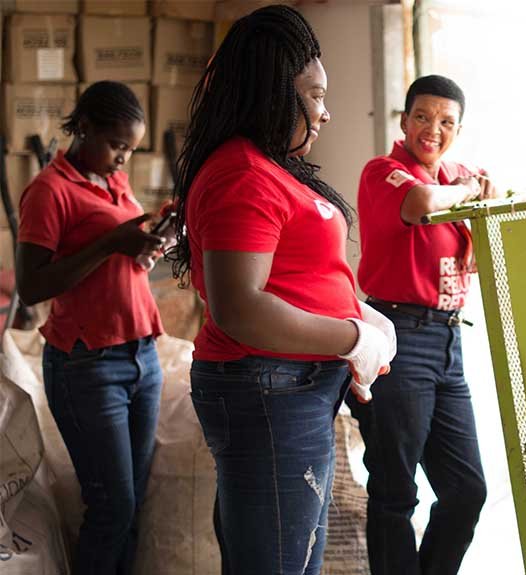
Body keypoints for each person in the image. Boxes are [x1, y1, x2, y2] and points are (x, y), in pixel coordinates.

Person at [164, 6, 394, 574]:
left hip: (292, 390)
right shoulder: (241, 174)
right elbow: (240, 306)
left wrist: (362, 315)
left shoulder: (270, 166)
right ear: (272, 93)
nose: (325, 112)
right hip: (270, 392)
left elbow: (295, 275)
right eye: (314, 96)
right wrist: (351, 336)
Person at [350, 74, 499, 575]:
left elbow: (488, 216)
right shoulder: (385, 172)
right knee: (395, 490)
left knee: (467, 490)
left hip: (449, 340)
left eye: (446, 122)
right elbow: (419, 205)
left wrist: (481, 194)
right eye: (422, 117)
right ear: (404, 119)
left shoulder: (459, 174)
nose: (432, 129)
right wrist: (465, 190)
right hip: (398, 336)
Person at [16, 80, 164, 575]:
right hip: (88, 365)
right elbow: (33, 286)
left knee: (133, 507)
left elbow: (117, 258)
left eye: (132, 149)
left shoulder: (112, 181)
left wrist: (143, 248)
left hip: (141, 356)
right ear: (83, 129)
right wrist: (109, 245)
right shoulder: (48, 191)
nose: (124, 159)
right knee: (111, 509)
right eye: (117, 145)